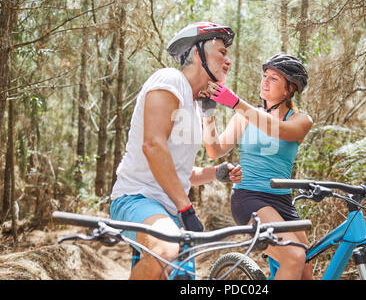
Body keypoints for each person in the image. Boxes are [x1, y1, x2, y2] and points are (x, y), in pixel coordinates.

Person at [109, 21, 242, 280]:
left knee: (182, 280)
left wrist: (216, 173)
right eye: (221, 52)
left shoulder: (193, 105)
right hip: (137, 198)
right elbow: (153, 145)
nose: (228, 60)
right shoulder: (169, 79)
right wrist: (186, 208)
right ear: (197, 53)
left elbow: (179, 172)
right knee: (166, 249)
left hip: (169, 211)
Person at [201, 53, 314, 280]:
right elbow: (214, 150)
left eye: (274, 78)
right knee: (294, 257)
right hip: (249, 197)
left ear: (289, 89)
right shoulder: (244, 118)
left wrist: (235, 102)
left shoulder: (301, 121)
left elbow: (277, 130)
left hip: (282, 201)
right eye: (265, 76)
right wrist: (208, 115)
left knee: (305, 269)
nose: (265, 81)